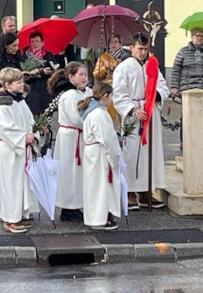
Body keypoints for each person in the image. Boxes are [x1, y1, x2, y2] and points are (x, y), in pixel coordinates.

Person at [113, 33, 169, 209]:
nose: (143, 52)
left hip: (151, 112)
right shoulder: (123, 68)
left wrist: (154, 97)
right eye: (140, 49)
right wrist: (133, 110)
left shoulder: (152, 66)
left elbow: (162, 87)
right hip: (133, 115)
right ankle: (129, 191)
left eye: (145, 49)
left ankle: (146, 191)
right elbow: (119, 94)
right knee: (131, 153)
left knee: (150, 152)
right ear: (132, 48)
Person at [0, 67, 39, 233]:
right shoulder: (2, 104)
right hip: (11, 150)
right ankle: (10, 218)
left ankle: (22, 213)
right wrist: (24, 138)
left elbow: (30, 120)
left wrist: (35, 132)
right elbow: (4, 127)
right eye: (18, 82)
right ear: (7, 84)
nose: (22, 84)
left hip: (22, 148)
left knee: (22, 183)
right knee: (11, 184)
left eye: (22, 81)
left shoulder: (19, 100)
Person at [47, 62, 92, 222]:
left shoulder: (87, 92)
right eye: (81, 74)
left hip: (81, 136)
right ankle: (68, 207)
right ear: (71, 77)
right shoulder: (69, 95)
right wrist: (94, 124)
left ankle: (77, 204)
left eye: (86, 74)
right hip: (71, 138)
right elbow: (76, 118)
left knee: (79, 172)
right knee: (69, 171)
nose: (84, 78)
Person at [78, 81, 122, 231]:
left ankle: (98, 217)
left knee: (94, 186)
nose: (112, 100)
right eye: (111, 96)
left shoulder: (92, 112)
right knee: (100, 187)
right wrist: (115, 158)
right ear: (105, 96)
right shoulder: (99, 114)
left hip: (93, 153)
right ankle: (100, 219)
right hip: (99, 154)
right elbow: (108, 140)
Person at [170, 26, 203, 97]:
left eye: (202, 36)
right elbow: (176, 70)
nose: (199, 38)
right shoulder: (183, 51)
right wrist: (174, 86)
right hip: (188, 88)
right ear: (192, 36)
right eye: (197, 35)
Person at [93, 34, 130, 130]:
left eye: (116, 42)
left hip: (122, 89)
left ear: (121, 44)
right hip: (108, 90)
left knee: (123, 115)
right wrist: (105, 67)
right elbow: (96, 74)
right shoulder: (104, 57)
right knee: (109, 116)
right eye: (111, 42)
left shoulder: (126, 57)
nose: (113, 44)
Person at [22, 31, 55, 115]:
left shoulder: (48, 55)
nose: (35, 44)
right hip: (32, 90)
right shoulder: (25, 56)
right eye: (32, 41)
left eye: (37, 41)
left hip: (45, 90)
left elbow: (53, 68)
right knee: (33, 117)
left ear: (42, 43)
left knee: (46, 117)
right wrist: (41, 72)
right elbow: (25, 74)